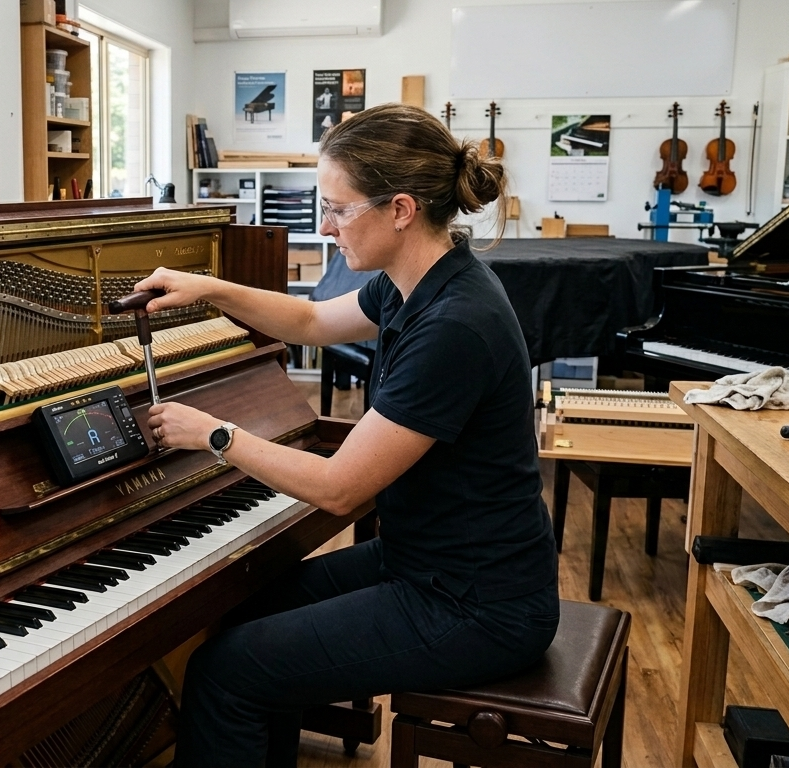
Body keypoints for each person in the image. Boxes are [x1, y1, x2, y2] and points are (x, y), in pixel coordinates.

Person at [135, 103, 560, 767]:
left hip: (479, 604)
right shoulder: (414, 281)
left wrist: (215, 433)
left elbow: (337, 490)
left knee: (228, 671)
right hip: (428, 564)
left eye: (338, 209)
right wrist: (209, 288)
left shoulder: (455, 326)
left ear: (399, 209)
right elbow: (307, 321)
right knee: (247, 611)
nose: (326, 227)